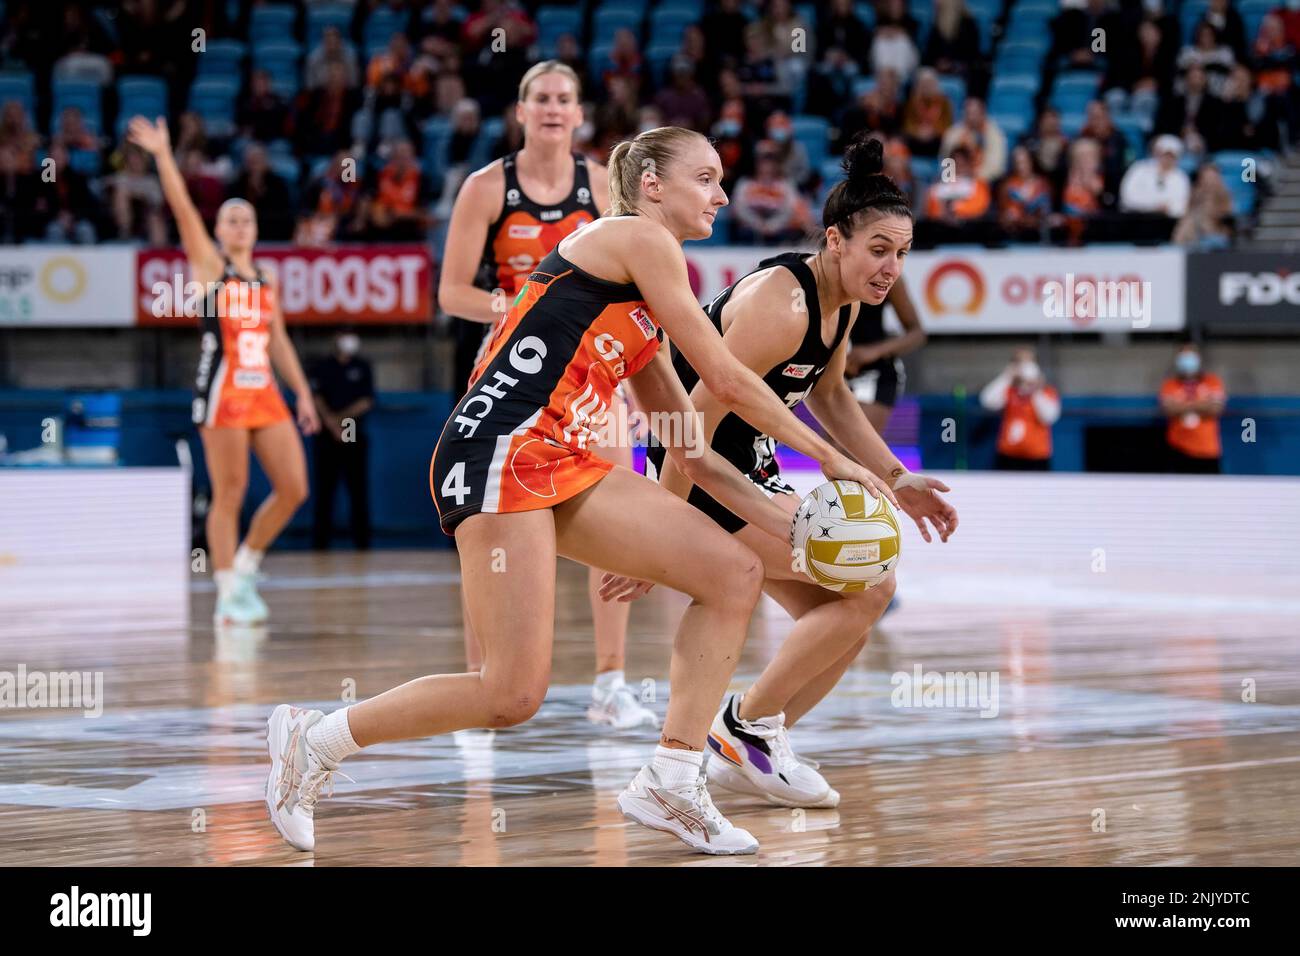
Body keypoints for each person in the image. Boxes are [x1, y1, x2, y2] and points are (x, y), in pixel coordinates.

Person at [265, 125, 895, 857]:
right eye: (707, 178)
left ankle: (672, 776)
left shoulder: (647, 295)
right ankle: (317, 739)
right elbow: (724, 378)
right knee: (510, 694)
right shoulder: (636, 236)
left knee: (734, 571)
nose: (722, 195)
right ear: (652, 185)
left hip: (558, 456)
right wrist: (835, 461)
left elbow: (686, 443)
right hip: (498, 447)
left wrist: (786, 524)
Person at [619, 135, 956, 808]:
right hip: (700, 458)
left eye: (902, 255)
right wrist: (660, 526)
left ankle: (753, 735)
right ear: (836, 240)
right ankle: (742, 729)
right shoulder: (783, 304)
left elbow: (831, 394)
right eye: (879, 251)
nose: (892, 267)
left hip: (746, 461)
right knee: (871, 582)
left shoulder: (847, 302)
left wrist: (894, 476)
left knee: (849, 611)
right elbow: (693, 418)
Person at [435, 61, 652, 729]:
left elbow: (635, 282)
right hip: (513, 364)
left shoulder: (599, 184)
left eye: (565, 97)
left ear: (580, 113)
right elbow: (450, 293)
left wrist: (645, 391)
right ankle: (479, 681)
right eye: (541, 98)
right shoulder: (485, 186)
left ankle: (611, 683)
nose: (554, 107)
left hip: (591, 366)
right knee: (493, 525)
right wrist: (517, 304)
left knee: (621, 510)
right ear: (521, 112)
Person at [127, 116, 319, 625]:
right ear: (218, 230)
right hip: (223, 391)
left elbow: (277, 339)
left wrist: (300, 392)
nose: (238, 225)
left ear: (256, 230)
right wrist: (164, 155)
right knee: (229, 491)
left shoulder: (267, 277)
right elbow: (183, 209)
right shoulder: (212, 269)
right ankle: (228, 589)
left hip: (267, 394)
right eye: (230, 219)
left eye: (246, 220)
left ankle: (249, 561)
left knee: (294, 487)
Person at [310, 331, 375, 551]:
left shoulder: (362, 366)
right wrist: (331, 423)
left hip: (353, 434)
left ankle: (362, 543)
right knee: (324, 492)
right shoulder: (322, 367)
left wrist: (341, 420)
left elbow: (367, 400)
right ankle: (320, 544)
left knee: (358, 490)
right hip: (326, 437)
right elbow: (315, 397)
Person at [979, 348, 1060, 470]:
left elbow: (1049, 417)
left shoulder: (1046, 391)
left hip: (1037, 459)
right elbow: (987, 401)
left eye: (1029, 362)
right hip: (1008, 457)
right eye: (1020, 362)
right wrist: (1007, 376)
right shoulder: (1009, 390)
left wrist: (1035, 389)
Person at [1159, 343, 1226, 473]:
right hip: (1178, 448)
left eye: (1190, 357)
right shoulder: (1170, 385)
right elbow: (1169, 410)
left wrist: (1183, 405)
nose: (1187, 361)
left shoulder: (1212, 381)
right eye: (1183, 357)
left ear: (1198, 359)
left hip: (1208, 450)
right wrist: (1202, 404)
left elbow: (1215, 410)